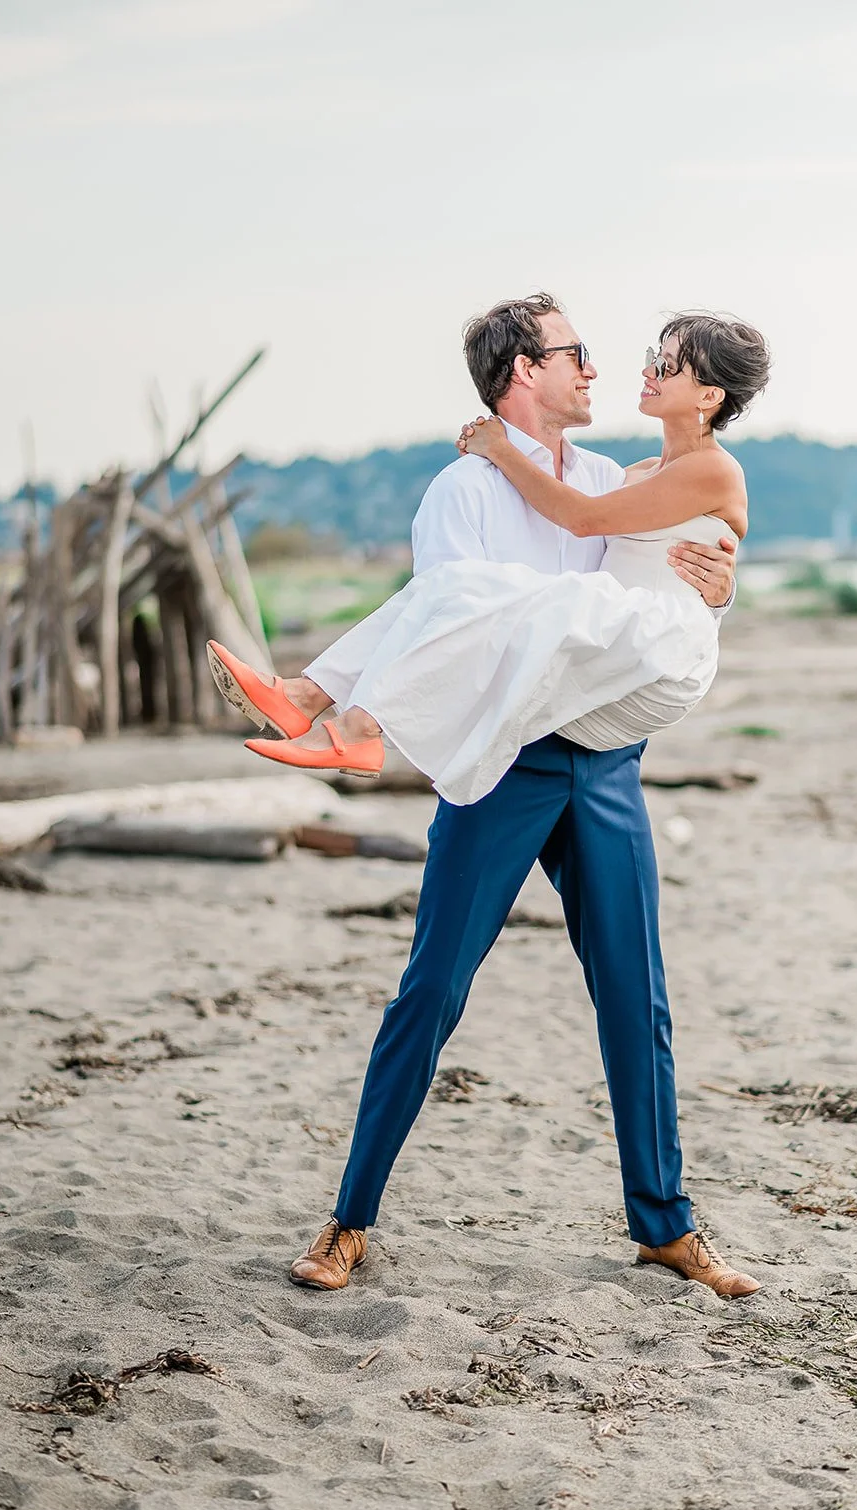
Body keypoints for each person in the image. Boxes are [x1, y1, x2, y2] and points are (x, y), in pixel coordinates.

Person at [210, 295, 769, 1297]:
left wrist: (723, 584)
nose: (599, 369)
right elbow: (450, 622)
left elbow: (663, 553)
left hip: (602, 762)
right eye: (577, 353)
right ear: (524, 369)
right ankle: (349, 1219)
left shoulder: (611, 473)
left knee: (635, 996)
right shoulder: (462, 490)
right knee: (432, 989)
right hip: (508, 761)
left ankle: (665, 1224)